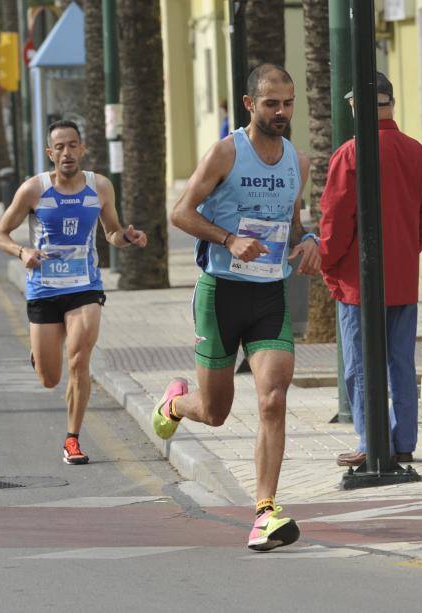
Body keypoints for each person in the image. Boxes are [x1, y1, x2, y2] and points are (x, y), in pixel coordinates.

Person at [154, 64, 320, 551]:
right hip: (221, 293)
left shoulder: (298, 162)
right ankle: (175, 403)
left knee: (273, 398)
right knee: (216, 411)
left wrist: (307, 238)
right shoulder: (226, 152)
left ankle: (265, 510)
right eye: (272, 104)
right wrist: (229, 238)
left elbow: (291, 219)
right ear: (250, 104)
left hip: (269, 294)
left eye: (288, 103)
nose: (282, 113)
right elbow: (180, 212)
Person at [0, 120, 147, 465]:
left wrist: (127, 237)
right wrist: (22, 253)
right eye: (59, 147)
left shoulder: (100, 187)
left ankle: (72, 438)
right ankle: (41, 354)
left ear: (82, 149)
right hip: (44, 289)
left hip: (85, 287)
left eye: (72, 145)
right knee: (50, 378)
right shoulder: (33, 190)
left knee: (79, 359)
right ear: (50, 153)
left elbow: (111, 232)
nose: (67, 152)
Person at [318, 72, 422, 467]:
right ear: (391, 104)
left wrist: (328, 264)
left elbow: (335, 223)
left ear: (357, 106)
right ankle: (404, 442)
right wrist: (403, 249)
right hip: (402, 280)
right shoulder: (418, 152)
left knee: (360, 365)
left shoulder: (350, 155)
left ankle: (372, 443)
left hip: (357, 282)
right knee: (401, 362)